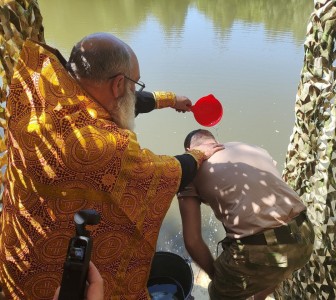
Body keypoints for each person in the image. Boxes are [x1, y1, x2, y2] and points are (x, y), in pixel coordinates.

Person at [0, 33, 223, 300]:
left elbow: (114, 102)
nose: (135, 91)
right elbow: (160, 173)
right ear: (119, 84)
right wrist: (199, 154)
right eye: (134, 84)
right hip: (51, 283)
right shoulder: (104, 147)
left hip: (15, 256)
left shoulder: (39, 85)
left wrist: (169, 99)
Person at [178, 129, 315, 300]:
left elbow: (192, 241)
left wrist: (220, 278)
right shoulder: (250, 148)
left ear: (189, 151)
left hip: (261, 250)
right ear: (214, 141)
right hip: (304, 236)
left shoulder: (191, 166)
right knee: (277, 268)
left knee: (219, 293)